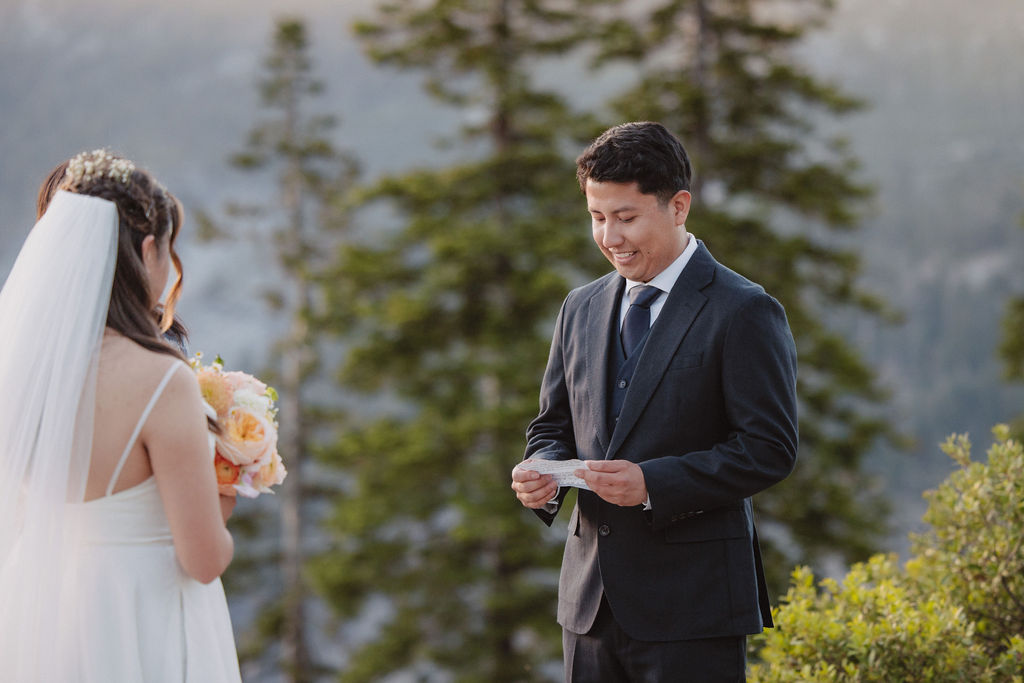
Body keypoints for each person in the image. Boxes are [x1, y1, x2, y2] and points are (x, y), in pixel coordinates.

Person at [512, 122, 798, 682]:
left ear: (678, 207)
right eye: (597, 217)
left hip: (694, 608)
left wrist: (653, 484)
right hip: (588, 606)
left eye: (626, 217)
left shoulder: (744, 311)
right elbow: (552, 424)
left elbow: (769, 448)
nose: (609, 237)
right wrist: (539, 474)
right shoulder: (580, 306)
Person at [0, 150, 241, 681]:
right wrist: (230, 482)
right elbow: (204, 560)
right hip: (142, 617)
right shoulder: (159, 380)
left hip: (49, 616)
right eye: (168, 252)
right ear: (149, 249)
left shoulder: (21, 371)